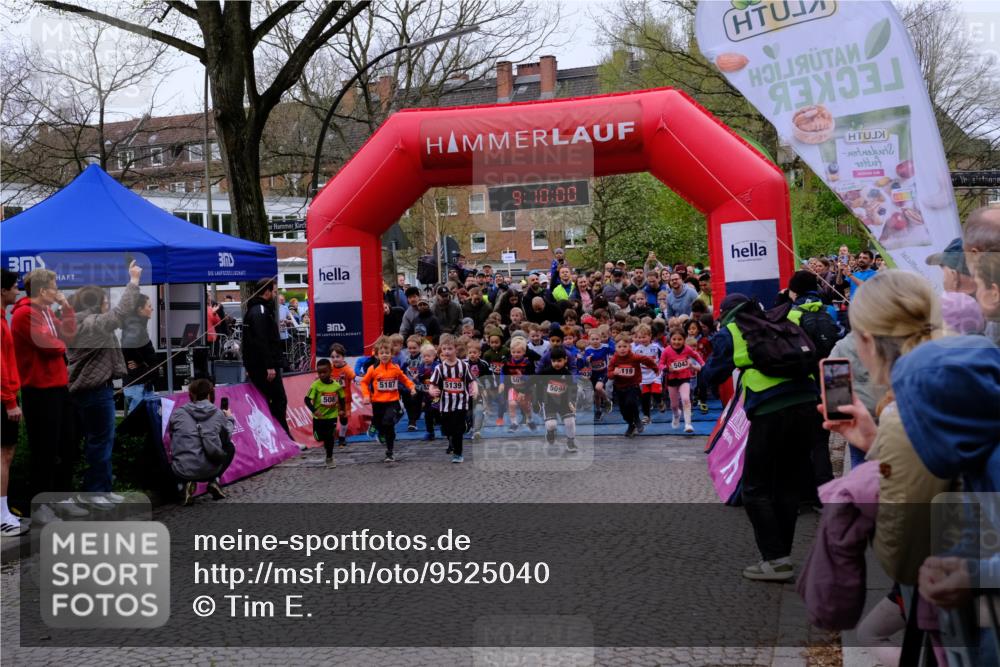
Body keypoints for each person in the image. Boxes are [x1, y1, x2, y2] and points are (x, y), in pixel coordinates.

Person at [703, 293, 822, 582]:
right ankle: (780, 556)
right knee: (787, 484)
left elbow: (713, 375)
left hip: (771, 410)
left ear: (726, 313)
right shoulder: (785, 319)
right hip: (808, 405)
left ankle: (776, 559)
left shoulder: (731, 332)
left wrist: (704, 374)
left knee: (755, 487)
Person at [67, 262, 143, 500]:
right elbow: (120, 314)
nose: (107, 305)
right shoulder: (90, 324)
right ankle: (97, 492)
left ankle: (103, 489)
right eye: (104, 301)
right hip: (94, 391)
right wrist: (133, 281)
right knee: (100, 442)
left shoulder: (80, 322)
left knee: (101, 441)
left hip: (90, 390)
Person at [11, 268, 80, 522]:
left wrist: (67, 309)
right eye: (54, 287)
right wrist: (60, 341)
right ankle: (41, 506)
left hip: (59, 387)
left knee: (67, 444)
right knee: (45, 449)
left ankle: (61, 498)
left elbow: (68, 336)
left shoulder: (48, 312)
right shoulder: (24, 315)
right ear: (42, 290)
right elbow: (49, 346)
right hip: (39, 391)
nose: (57, 291)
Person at [168, 378, 234, 506]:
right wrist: (229, 419)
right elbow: (227, 437)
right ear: (210, 394)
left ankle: (183, 485)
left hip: (183, 469)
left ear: (191, 394)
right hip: (210, 469)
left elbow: (172, 437)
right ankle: (214, 480)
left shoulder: (178, 413)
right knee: (229, 447)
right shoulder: (218, 414)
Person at [242, 279, 291, 436]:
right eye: (274, 291)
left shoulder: (259, 309)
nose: (275, 294)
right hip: (263, 366)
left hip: (260, 364)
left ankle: (282, 435)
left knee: (276, 399)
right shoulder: (259, 311)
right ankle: (283, 436)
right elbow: (261, 340)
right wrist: (269, 365)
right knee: (278, 399)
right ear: (267, 291)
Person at [1, 270, 27, 536]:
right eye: (14, 287)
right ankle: (2, 516)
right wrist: (10, 401)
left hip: (6, 395)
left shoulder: (2, 319)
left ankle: (3, 512)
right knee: (4, 456)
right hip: (3, 397)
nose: (17, 291)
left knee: (5, 455)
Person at [359, 340, 416, 463]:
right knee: (381, 424)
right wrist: (366, 395)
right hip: (377, 402)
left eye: (387, 352)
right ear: (377, 355)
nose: (384, 355)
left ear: (392, 354)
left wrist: (411, 387)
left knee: (388, 422)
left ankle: (389, 452)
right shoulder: (373, 369)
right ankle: (376, 426)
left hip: (392, 401)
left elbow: (404, 379)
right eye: (382, 353)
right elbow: (364, 382)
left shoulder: (395, 368)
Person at [428, 334, 477, 463]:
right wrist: (432, 391)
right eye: (444, 349)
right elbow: (432, 385)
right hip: (445, 404)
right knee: (447, 429)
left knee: (457, 430)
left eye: (449, 349)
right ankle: (462, 429)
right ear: (441, 350)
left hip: (461, 403)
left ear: (455, 349)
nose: (447, 352)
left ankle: (458, 454)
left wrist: (474, 389)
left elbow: (472, 381)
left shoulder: (463, 366)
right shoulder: (440, 368)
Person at [605, 333, 658, 438]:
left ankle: (637, 419)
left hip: (633, 385)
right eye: (619, 347)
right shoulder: (614, 359)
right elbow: (609, 375)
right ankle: (631, 424)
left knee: (631, 402)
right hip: (619, 388)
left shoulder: (634, 357)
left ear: (630, 347)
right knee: (623, 411)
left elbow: (646, 360)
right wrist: (614, 373)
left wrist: (655, 368)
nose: (622, 349)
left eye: (625, 346)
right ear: (615, 348)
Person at [658, 328, 704, 433]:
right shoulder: (666, 351)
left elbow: (695, 355)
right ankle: (676, 414)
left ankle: (688, 424)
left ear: (684, 340)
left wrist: (702, 364)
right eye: (674, 339)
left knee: (686, 399)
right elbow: (660, 364)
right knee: (674, 405)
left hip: (684, 378)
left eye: (680, 339)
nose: (677, 342)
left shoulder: (687, 349)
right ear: (670, 340)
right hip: (672, 380)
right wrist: (666, 368)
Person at [305, 358, 347, 469]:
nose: (322, 375)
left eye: (325, 372)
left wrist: (342, 410)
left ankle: (329, 458)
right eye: (319, 373)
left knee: (330, 437)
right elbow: (306, 400)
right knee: (319, 438)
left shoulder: (336, 386)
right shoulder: (315, 385)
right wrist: (315, 410)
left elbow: (342, 398)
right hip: (319, 418)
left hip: (332, 417)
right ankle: (322, 440)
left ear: (330, 371)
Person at [536, 347, 578, 452]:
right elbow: (538, 387)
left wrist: (572, 401)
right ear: (550, 361)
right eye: (554, 361)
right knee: (551, 425)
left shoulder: (568, 374)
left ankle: (571, 442)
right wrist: (538, 400)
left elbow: (573, 388)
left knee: (570, 422)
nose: (556, 363)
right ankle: (550, 432)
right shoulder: (545, 373)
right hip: (549, 402)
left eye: (559, 361)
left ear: (565, 360)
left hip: (564, 402)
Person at [121, 294, 158, 416]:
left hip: (144, 383)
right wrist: (141, 362)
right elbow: (127, 347)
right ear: (140, 309)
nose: (151, 309)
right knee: (138, 422)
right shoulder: (134, 327)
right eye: (149, 306)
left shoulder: (139, 326)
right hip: (137, 384)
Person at [498, 337, 536, 432]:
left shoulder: (528, 363)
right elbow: (503, 372)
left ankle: (529, 419)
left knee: (524, 405)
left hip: (526, 388)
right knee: (512, 404)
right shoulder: (508, 362)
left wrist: (523, 377)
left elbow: (532, 378)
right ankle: (514, 423)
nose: (516, 354)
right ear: (510, 352)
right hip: (513, 387)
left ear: (523, 352)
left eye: (518, 352)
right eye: (513, 352)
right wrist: (502, 383)